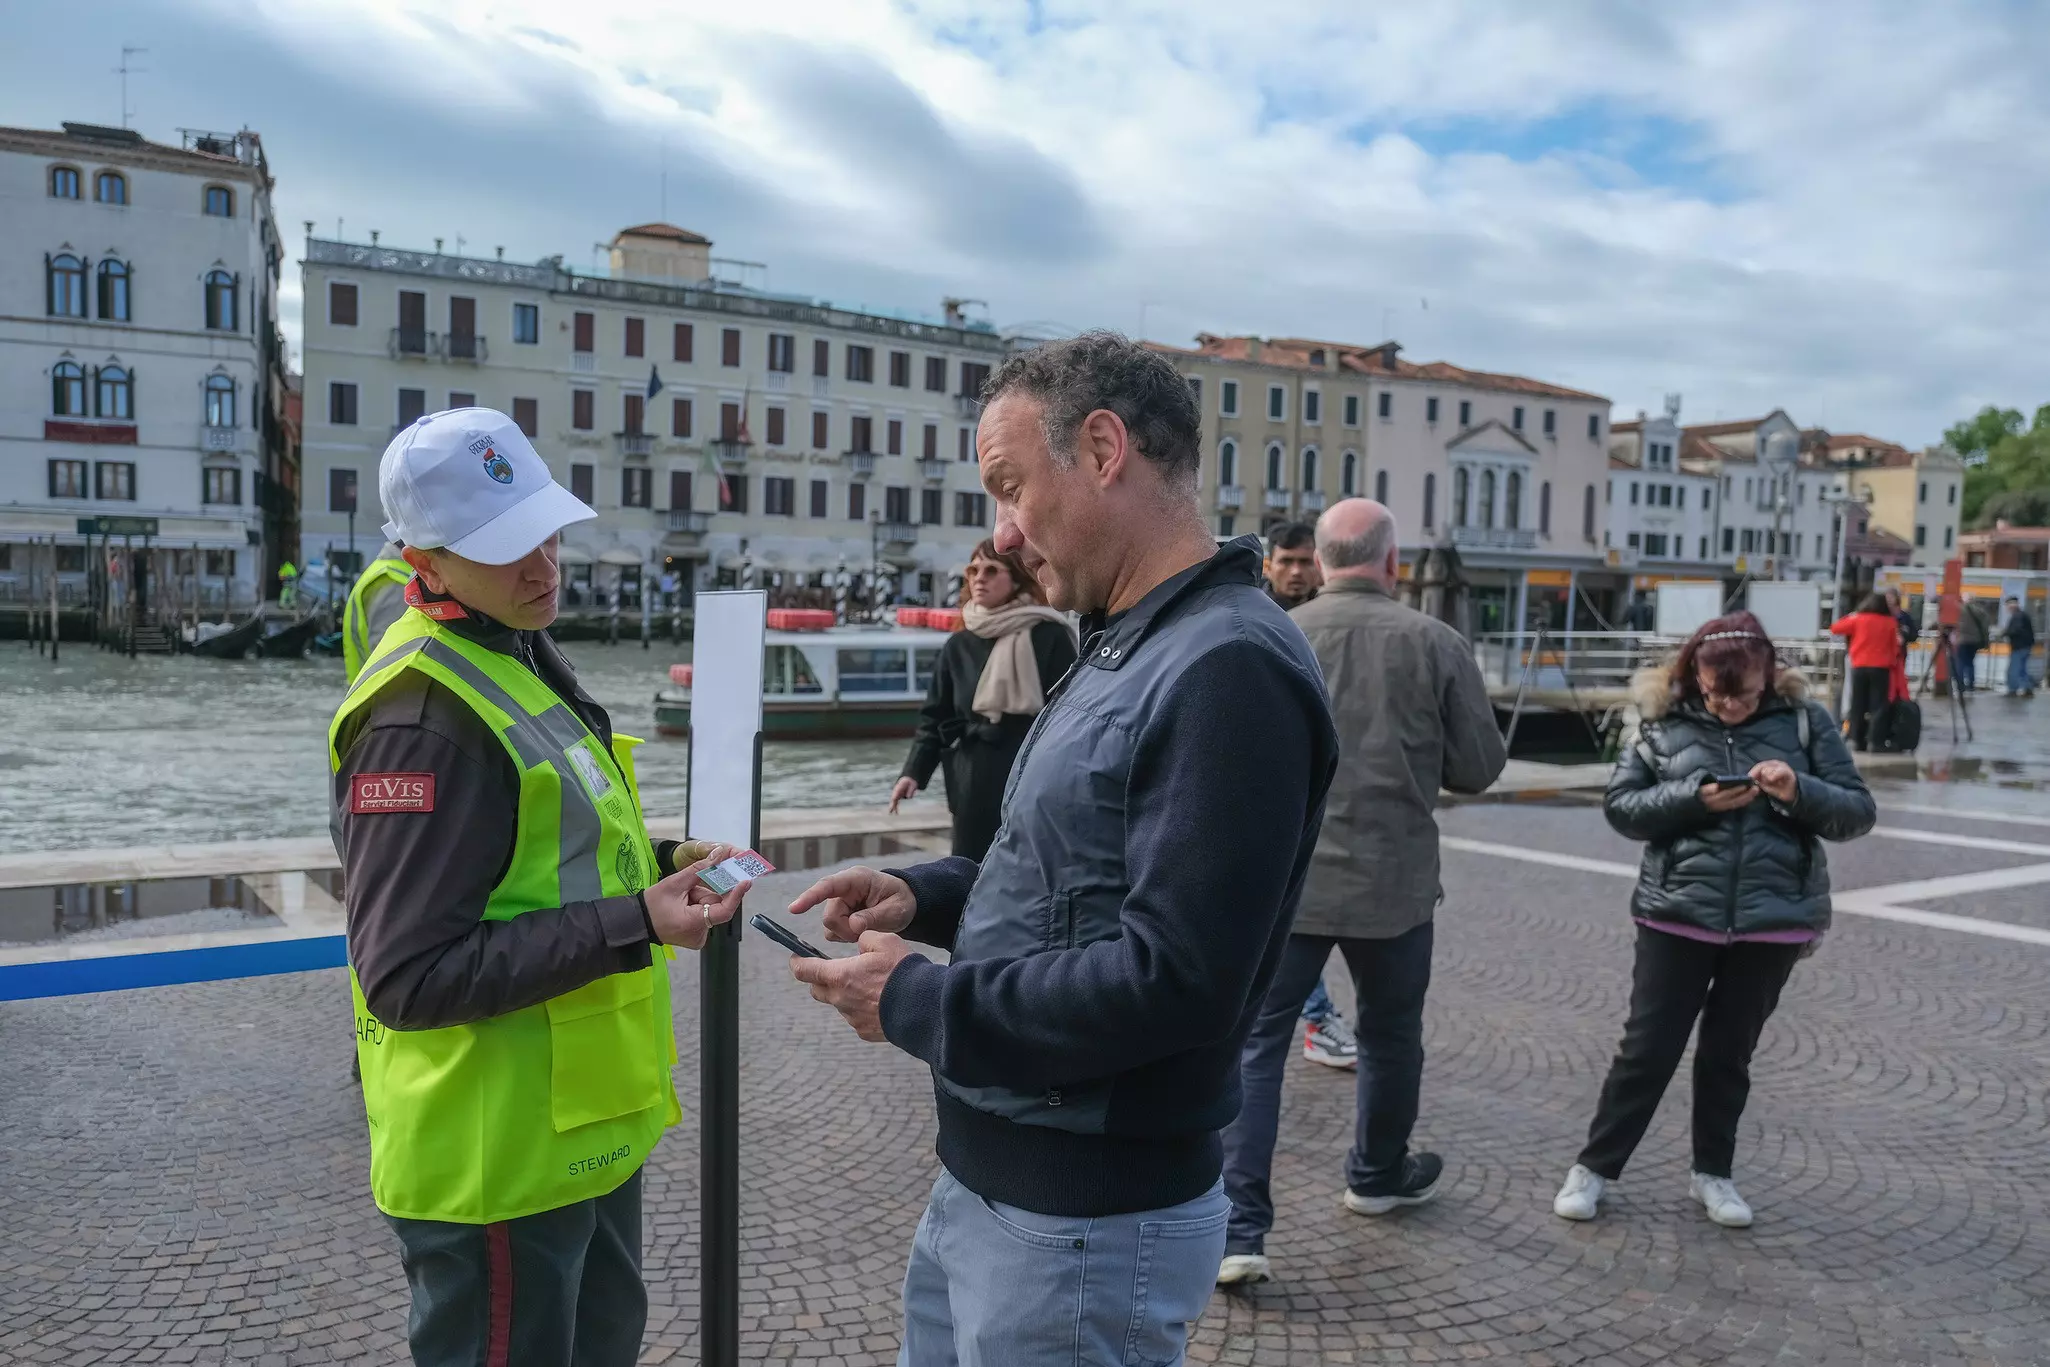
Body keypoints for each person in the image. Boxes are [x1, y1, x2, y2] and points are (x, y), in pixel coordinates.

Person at [781, 333, 1338, 1366]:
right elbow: (1064, 874)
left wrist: (914, 999)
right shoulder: (1127, 638)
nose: (1003, 528)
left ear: (1103, 447)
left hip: (1080, 1221)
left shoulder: (1225, 667)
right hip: (1002, 1185)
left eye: (1009, 485)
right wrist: (919, 893)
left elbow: (1176, 979)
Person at [331, 408, 748, 1367]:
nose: (544, 565)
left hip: (570, 1137)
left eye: (547, 530)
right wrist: (635, 920)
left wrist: (660, 858)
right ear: (424, 559)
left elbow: (549, 840)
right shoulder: (420, 721)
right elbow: (408, 975)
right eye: (506, 545)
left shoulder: (508, 644)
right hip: (496, 1168)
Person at [1216, 498, 1507, 1286]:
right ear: (1391, 562)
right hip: (1395, 881)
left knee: (1257, 1047)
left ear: (1319, 556)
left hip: (1288, 881)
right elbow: (1480, 767)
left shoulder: (1268, 631)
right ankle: (1375, 1175)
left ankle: (1239, 1227)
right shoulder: (1436, 641)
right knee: (1389, 1037)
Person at [1552, 613, 1874, 1229]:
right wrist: (1691, 799)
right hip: (1677, 913)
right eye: (1715, 693)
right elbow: (1622, 807)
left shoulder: (1807, 723)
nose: (1727, 706)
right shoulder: (1662, 722)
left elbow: (1857, 811)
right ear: (1692, 676)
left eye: (1743, 695)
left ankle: (1713, 1175)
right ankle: (1592, 1169)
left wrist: (1796, 790)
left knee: (1729, 1053)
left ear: (1770, 677)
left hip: (1772, 919)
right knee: (1647, 1049)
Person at [890, 540, 1077, 859]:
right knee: (968, 866)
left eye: (991, 570)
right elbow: (935, 717)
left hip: (1030, 770)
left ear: (1017, 577)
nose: (979, 578)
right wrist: (912, 773)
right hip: (971, 776)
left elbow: (1070, 715)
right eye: (973, 570)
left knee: (1029, 862)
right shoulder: (958, 644)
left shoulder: (1049, 635)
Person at [1262, 521, 1358, 1069]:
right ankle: (1318, 1018)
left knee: (1289, 923)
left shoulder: (1329, 621)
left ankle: (1316, 1018)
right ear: (1270, 564)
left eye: (1306, 561)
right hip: (1274, 793)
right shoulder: (1255, 615)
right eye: (1287, 561)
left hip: (1321, 791)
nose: (1297, 571)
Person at [1829, 593, 1902, 750]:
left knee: (1858, 704)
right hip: (1881, 668)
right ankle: (1875, 742)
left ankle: (1857, 740)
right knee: (1879, 706)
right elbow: (1895, 647)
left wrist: (1852, 615)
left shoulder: (1858, 619)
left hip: (1859, 666)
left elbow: (1835, 628)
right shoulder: (1890, 622)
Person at [343, 541, 415, 683]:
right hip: (386, 699)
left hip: (374, 698)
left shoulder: (390, 573)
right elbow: (390, 667)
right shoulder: (394, 582)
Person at [2000, 596, 2037, 697]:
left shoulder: (2017, 616)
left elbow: (2016, 630)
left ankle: (2012, 689)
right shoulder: (2023, 615)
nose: (2008, 608)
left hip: (2019, 646)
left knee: (2014, 669)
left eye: (2008, 605)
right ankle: (2027, 688)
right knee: (2022, 669)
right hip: (2026, 645)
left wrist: (2004, 633)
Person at [1955, 596, 1990, 692]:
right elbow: (1985, 627)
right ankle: (1971, 685)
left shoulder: (1960, 609)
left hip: (1962, 640)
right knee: (1970, 663)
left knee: (1960, 663)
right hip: (1975, 641)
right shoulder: (1980, 611)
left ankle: (1960, 685)